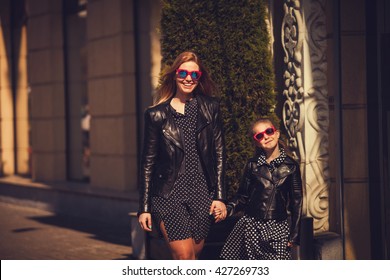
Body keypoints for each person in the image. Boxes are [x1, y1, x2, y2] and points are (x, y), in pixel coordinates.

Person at [138, 51, 227, 260]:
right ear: (174, 74)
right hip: (168, 194)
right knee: (185, 257)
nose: (188, 78)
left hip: (201, 193)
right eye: (183, 73)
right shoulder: (156, 115)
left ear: (200, 78)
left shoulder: (210, 108)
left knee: (194, 254)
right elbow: (147, 163)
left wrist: (220, 197)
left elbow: (220, 153)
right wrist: (144, 208)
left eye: (194, 75)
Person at [216, 118, 303, 260]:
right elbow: (242, 196)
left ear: (277, 133)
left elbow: (297, 203)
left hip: (277, 228)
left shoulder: (291, 166)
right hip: (250, 226)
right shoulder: (252, 165)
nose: (266, 137)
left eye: (269, 131)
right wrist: (227, 209)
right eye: (260, 135)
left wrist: (295, 234)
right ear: (257, 142)